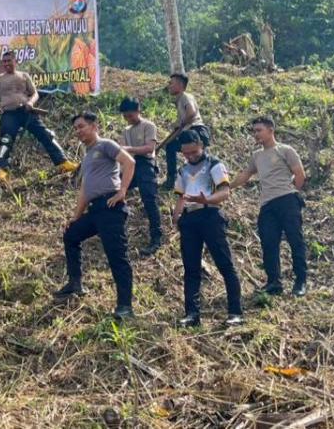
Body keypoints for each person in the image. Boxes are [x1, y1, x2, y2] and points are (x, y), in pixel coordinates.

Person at [54, 112, 136, 320]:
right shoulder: (88, 155)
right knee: (71, 234)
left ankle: (125, 306)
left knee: (117, 256)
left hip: (111, 207)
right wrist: (76, 216)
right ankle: (75, 283)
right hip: (95, 210)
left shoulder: (106, 145)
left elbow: (129, 162)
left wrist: (122, 191)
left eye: (81, 126)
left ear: (94, 126)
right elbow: (85, 190)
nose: (78, 131)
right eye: (76, 129)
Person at [231, 116, 308, 297]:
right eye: (254, 131)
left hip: (287, 200)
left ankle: (300, 281)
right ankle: (274, 282)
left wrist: (292, 193)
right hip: (267, 204)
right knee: (268, 243)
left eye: (259, 130)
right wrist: (227, 186)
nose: (255, 134)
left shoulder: (285, 150)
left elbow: (300, 174)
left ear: (270, 130)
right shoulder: (257, 156)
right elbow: (246, 174)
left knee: (295, 240)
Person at [172, 130, 242, 327]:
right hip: (189, 219)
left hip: (209, 215)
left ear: (201, 145)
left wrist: (207, 199)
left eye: (194, 152)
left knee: (225, 264)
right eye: (186, 154)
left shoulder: (214, 165)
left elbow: (225, 192)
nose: (191, 156)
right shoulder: (183, 170)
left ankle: (235, 311)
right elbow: (181, 197)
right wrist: (176, 217)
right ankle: (192, 314)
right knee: (191, 268)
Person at [0, 51, 78, 180]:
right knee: (6, 140)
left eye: (9, 61)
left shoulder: (24, 76)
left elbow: (35, 93)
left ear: (15, 61)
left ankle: (63, 162)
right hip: (9, 114)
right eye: (5, 61)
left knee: (46, 134)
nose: (6, 63)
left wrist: (30, 102)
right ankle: (1, 170)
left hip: (26, 112)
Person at [119, 97, 164, 256]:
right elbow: (123, 153)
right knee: (114, 190)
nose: (128, 119)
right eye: (125, 116)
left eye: (130, 115)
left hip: (145, 164)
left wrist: (128, 148)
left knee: (149, 199)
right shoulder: (126, 131)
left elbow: (149, 148)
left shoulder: (148, 125)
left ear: (138, 111)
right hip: (130, 165)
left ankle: (157, 237)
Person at [163, 73, 211, 190]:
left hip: (196, 131)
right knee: (170, 146)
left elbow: (192, 113)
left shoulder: (185, 96)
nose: (169, 86)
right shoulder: (180, 101)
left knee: (194, 156)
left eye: (171, 83)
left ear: (179, 85)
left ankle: (172, 179)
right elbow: (181, 126)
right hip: (190, 132)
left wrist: (179, 123)